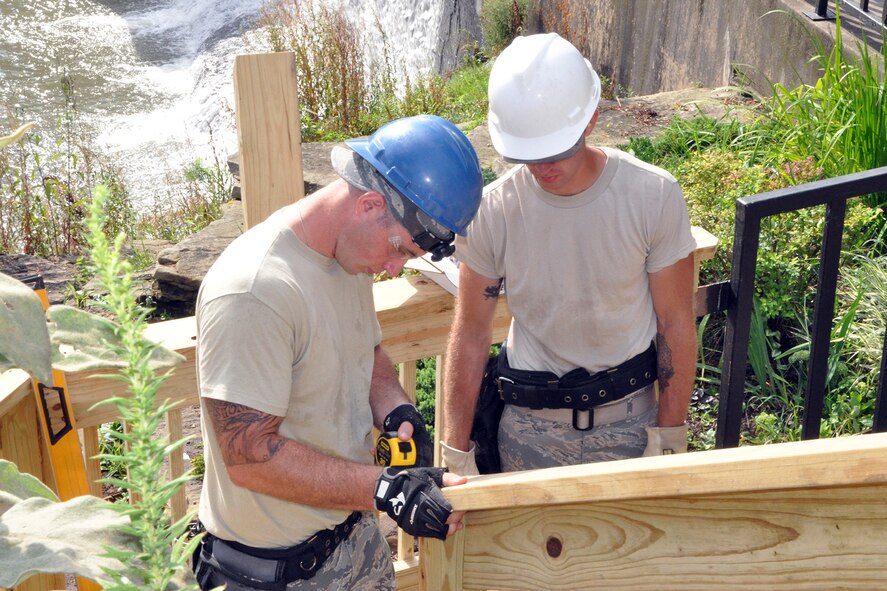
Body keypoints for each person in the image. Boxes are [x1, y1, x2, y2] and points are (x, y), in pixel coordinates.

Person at [192, 114, 483, 590]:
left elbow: (364, 348)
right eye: (399, 250)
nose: (393, 268)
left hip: (354, 540)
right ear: (370, 204)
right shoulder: (253, 291)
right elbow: (248, 456)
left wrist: (395, 408)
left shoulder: (348, 258)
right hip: (276, 573)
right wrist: (386, 489)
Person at [440, 33, 698, 475]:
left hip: (631, 424)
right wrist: (454, 455)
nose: (542, 168)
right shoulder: (495, 210)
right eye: (526, 154)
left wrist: (669, 438)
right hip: (527, 426)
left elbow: (675, 323)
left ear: (591, 118)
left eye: (555, 149)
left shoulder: (652, 195)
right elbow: (470, 334)